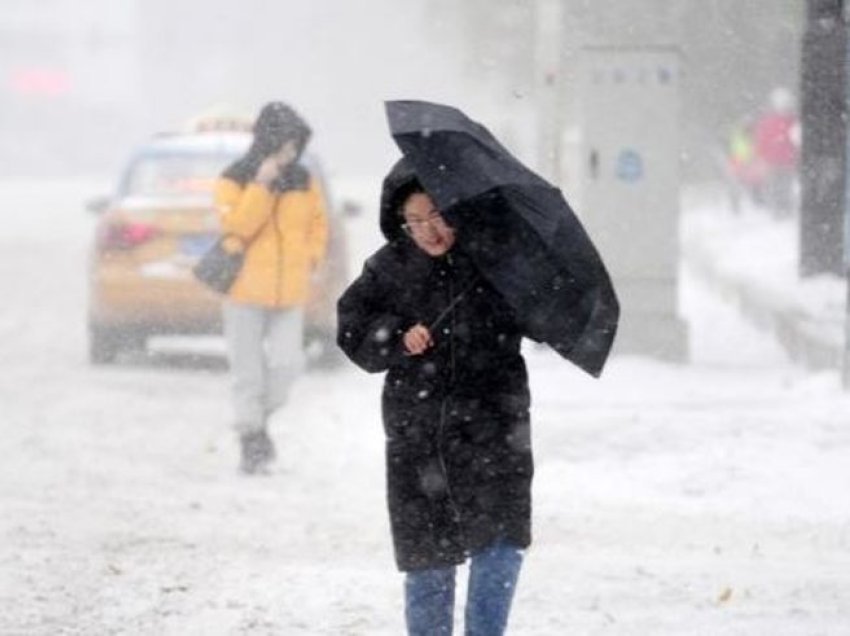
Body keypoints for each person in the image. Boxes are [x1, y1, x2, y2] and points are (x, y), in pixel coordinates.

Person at [337, 158, 531, 635]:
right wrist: (397, 335)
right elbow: (352, 328)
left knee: (501, 542)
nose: (427, 230)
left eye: (437, 215)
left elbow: (537, 314)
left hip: (495, 424)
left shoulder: (497, 260)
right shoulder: (389, 268)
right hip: (420, 432)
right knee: (427, 552)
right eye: (415, 220)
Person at [215, 101, 328, 474]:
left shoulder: (304, 180)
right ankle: (252, 442)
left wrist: (310, 257)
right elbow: (238, 227)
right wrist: (261, 186)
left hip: (288, 291)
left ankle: (254, 422)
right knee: (247, 372)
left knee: (287, 365)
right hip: (244, 291)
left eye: (296, 145)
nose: (291, 152)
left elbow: (317, 224)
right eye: (285, 144)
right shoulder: (233, 177)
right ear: (267, 141)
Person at [753, 87, 800, 218]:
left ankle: (785, 209)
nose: (783, 106)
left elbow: (796, 139)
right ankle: (777, 211)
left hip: (787, 160)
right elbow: (760, 140)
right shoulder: (768, 121)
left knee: (785, 186)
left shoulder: (792, 120)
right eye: (781, 103)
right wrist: (761, 157)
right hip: (773, 161)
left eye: (785, 103)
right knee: (775, 187)